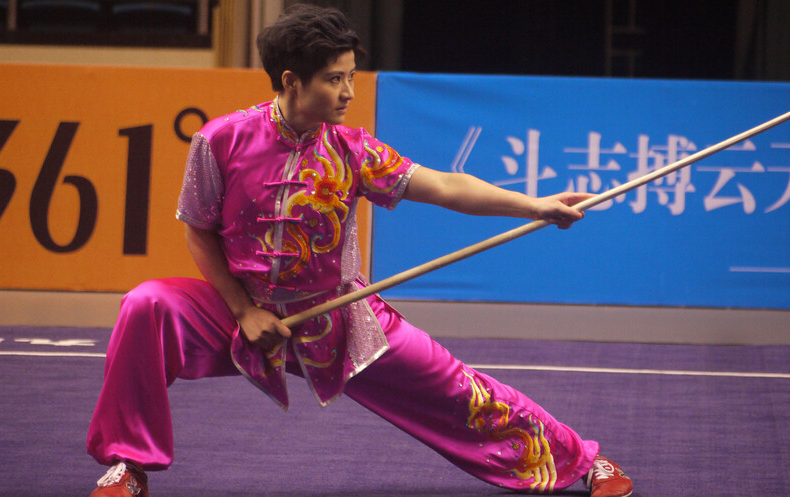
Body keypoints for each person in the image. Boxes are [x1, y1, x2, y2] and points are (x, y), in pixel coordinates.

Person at [86, 5, 633, 497]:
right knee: (147, 305)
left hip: (338, 319)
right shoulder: (220, 141)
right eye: (334, 79)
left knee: (459, 390)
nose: (349, 91)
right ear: (291, 81)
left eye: (351, 76)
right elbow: (198, 230)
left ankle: (585, 462)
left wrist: (534, 206)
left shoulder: (353, 150)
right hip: (240, 309)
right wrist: (242, 309)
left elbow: (444, 185)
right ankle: (127, 466)